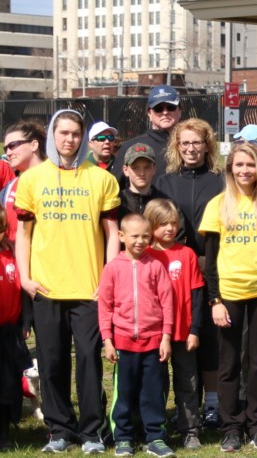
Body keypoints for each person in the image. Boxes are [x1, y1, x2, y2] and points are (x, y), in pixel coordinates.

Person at [15, 109, 121, 454]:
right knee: (51, 361)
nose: (69, 139)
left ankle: (92, 432)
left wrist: (108, 277)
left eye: (75, 133)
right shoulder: (32, 179)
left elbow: (112, 233)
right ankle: (59, 430)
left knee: (89, 362)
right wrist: (26, 278)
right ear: (52, 135)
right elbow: (23, 233)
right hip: (46, 287)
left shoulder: (102, 179)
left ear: (83, 137)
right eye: (63, 133)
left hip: (89, 288)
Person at [201, 144, 257, 451]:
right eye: (238, 165)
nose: (244, 170)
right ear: (230, 169)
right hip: (229, 294)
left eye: (250, 165)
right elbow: (209, 260)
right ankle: (232, 426)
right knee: (229, 363)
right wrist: (215, 300)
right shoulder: (218, 205)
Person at [154, 119, 224, 427]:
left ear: (207, 145)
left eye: (196, 142)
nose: (190, 148)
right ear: (176, 147)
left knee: (210, 340)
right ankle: (184, 406)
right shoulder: (165, 182)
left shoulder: (221, 180)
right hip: (176, 266)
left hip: (213, 264)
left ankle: (212, 404)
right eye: (184, 143)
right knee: (180, 338)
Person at [98, 213, 175, 458]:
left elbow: (167, 304)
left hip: (153, 343)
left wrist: (165, 337)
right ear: (121, 236)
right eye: (135, 236)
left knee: (152, 392)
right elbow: (105, 306)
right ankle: (123, 437)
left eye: (145, 236)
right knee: (124, 393)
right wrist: (107, 340)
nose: (141, 241)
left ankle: (155, 437)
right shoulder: (111, 268)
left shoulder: (155, 266)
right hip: (122, 343)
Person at [146, 199, 205, 450]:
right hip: (154, 334)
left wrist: (195, 330)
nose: (169, 228)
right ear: (151, 225)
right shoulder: (145, 255)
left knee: (187, 383)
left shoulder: (187, 254)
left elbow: (197, 295)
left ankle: (190, 430)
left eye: (173, 223)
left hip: (183, 331)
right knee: (156, 384)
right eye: (163, 224)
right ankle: (157, 430)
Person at [0, 210, 32, 451]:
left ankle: (5, 432)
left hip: (10, 331)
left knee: (9, 384)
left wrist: (25, 322)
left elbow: (21, 289)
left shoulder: (12, 254)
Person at [112, 85, 182, 182]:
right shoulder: (129, 147)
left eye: (171, 107)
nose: (165, 112)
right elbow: (115, 187)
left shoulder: (192, 146)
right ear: (149, 113)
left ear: (180, 111)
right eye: (158, 108)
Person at [2, 120, 47, 244]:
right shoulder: (10, 187)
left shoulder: (57, 179)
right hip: (14, 261)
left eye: (13, 145)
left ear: (34, 145)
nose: (8, 153)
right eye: (6, 149)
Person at [118, 143, 178, 223]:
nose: (142, 173)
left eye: (147, 167)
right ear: (125, 170)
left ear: (154, 169)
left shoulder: (166, 203)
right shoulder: (117, 202)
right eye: (135, 168)